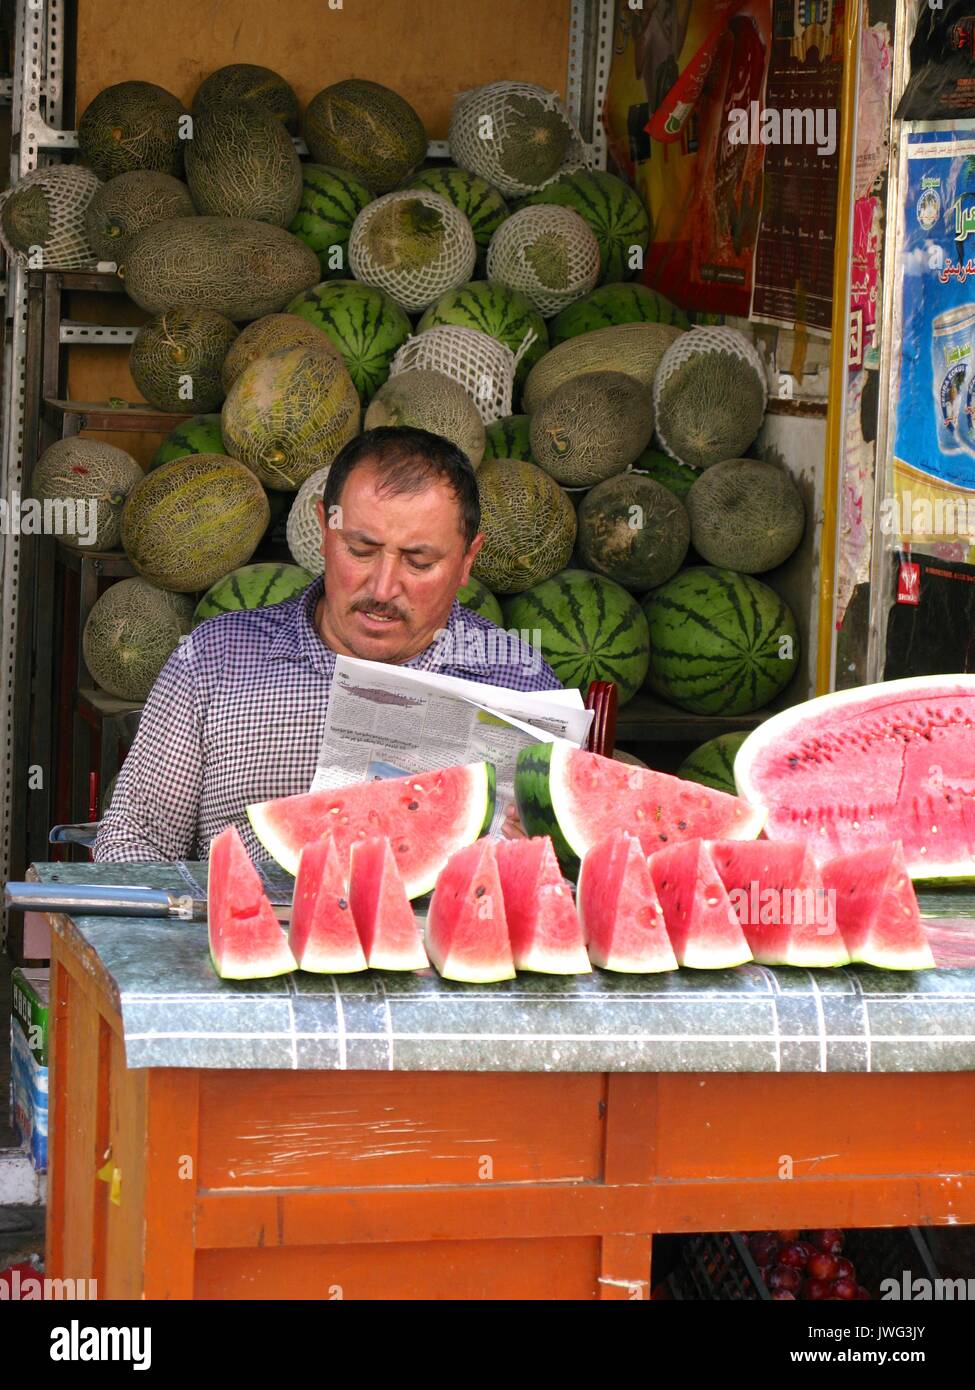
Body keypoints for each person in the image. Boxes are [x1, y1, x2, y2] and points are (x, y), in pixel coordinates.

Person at [94, 427, 562, 864]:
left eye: (419, 562)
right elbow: (134, 839)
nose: (382, 588)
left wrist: (545, 859)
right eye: (360, 550)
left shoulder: (519, 681)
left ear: (466, 561)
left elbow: (565, 881)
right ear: (324, 530)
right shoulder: (214, 659)